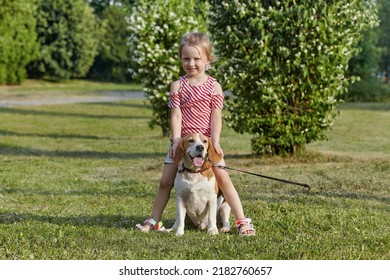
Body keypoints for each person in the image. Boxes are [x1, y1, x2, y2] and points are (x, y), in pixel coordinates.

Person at [136, 32, 255, 236]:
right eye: (186, 58)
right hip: (183, 144)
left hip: (206, 143)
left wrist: (215, 141)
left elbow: (216, 116)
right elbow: (176, 116)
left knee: (224, 181)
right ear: (181, 59)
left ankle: (242, 221)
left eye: (196, 58)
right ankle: (154, 220)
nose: (191, 63)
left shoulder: (214, 86)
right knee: (165, 182)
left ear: (207, 60)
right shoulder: (178, 86)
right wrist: (175, 141)